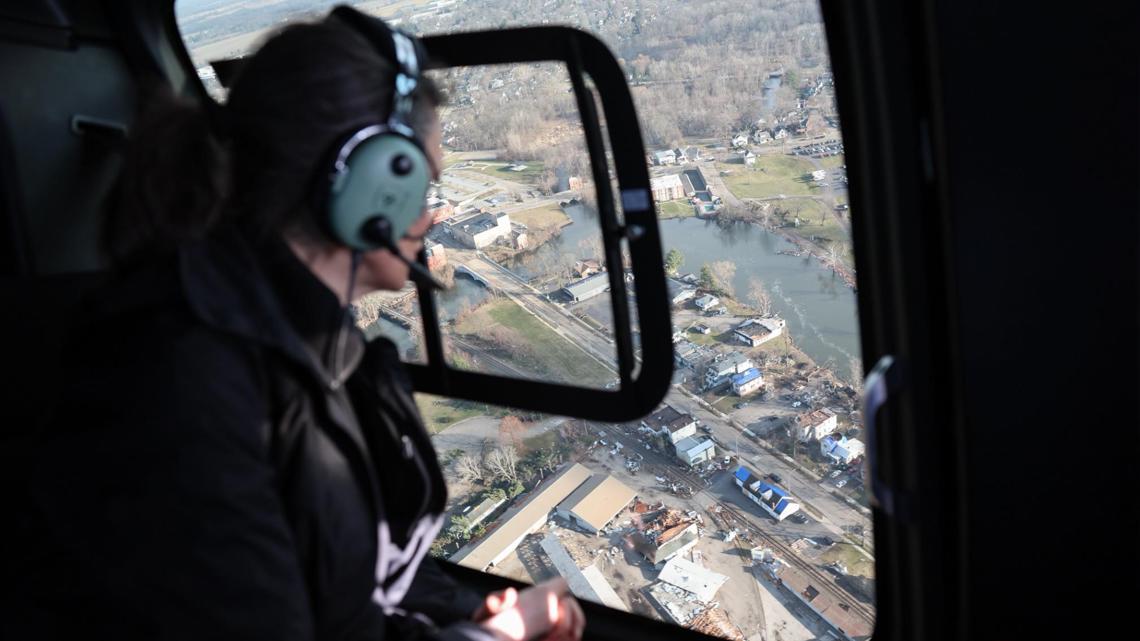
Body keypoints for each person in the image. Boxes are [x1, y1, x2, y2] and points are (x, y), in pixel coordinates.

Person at [3, 7, 584, 641]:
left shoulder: (308, 343)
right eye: (427, 183)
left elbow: (350, 578)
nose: (435, 214)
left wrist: (460, 611)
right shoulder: (182, 389)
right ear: (369, 186)